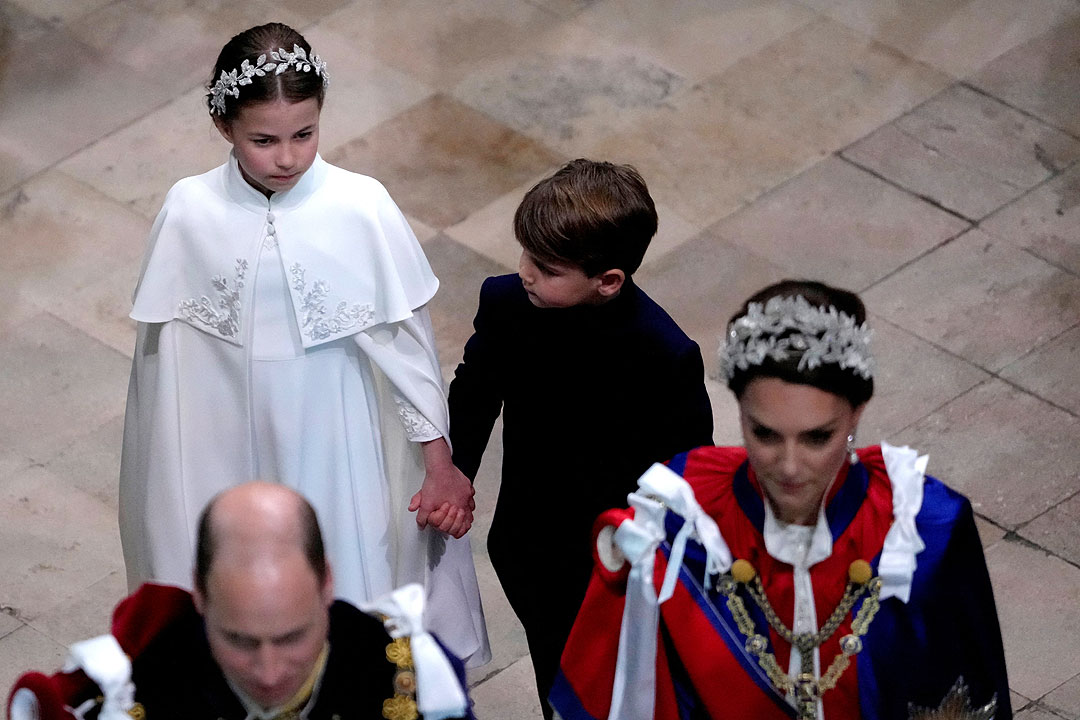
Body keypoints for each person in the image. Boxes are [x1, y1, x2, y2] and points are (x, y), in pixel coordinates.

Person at [117, 22, 488, 666]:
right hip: (217, 436)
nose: (287, 157)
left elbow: (406, 351)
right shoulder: (187, 211)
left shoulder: (361, 207)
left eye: (304, 134)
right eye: (264, 140)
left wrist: (438, 458)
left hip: (331, 426)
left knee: (341, 561)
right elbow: (163, 374)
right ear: (223, 127)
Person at [549, 280, 1011, 720]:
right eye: (765, 433)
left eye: (817, 437)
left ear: (857, 412)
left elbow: (963, 692)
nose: (789, 467)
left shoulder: (926, 526)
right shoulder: (681, 521)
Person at [448, 159, 714, 718]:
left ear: (608, 280)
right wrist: (453, 473)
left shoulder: (665, 356)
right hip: (530, 545)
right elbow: (473, 395)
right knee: (559, 678)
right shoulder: (506, 304)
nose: (523, 272)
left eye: (544, 268)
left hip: (619, 564)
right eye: (524, 254)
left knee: (624, 687)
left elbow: (687, 475)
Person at [8, 483, 473, 720]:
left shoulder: (411, 682)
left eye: (292, 637)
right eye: (240, 641)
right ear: (200, 594)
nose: (270, 673)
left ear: (327, 583)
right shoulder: (139, 694)